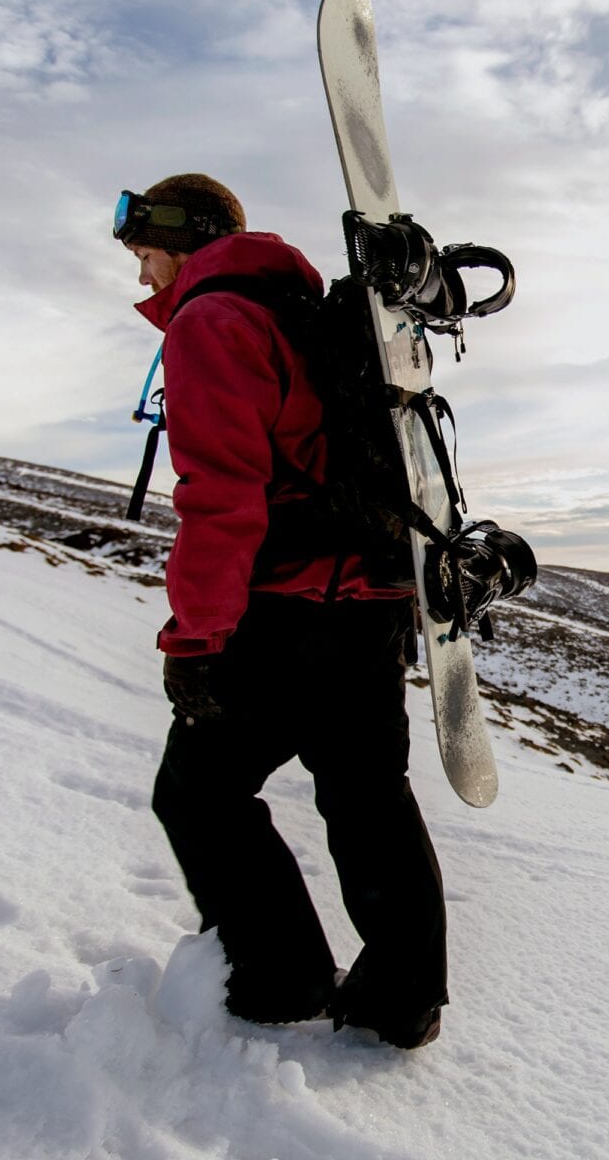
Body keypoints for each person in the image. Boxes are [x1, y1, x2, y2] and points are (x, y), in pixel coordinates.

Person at [116, 173, 447, 1047]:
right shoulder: (313, 313)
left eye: (142, 249)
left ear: (176, 238)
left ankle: (281, 980)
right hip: (371, 602)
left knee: (198, 794)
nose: (140, 271)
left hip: (281, 611)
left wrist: (195, 639)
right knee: (368, 793)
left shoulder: (214, 320)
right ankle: (402, 1001)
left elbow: (221, 495)